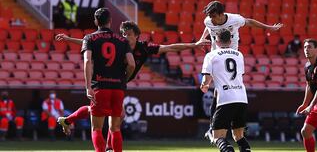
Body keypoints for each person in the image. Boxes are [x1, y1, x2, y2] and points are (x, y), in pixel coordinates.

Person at [56, 21, 207, 151]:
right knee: (115, 115)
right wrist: (69, 39)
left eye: (128, 34)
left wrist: (194, 45)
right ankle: (107, 146)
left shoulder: (143, 48)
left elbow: (170, 48)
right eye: (123, 34)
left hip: (117, 84)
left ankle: (69, 121)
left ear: (136, 35)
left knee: (106, 114)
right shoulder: (119, 45)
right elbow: (90, 42)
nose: (125, 36)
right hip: (105, 82)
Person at [197, 1, 283, 143]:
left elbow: (249, 21)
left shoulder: (234, 19)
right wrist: (202, 38)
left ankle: (217, 127)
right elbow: (208, 26)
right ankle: (221, 127)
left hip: (233, 54)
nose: (211, 19)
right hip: (217, 56)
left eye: (213, 16)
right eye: (210, 16)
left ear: (221, 14)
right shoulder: (208, 21)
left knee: (221, 91)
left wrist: (268, 28)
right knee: (219, 91)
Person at [82, 8, 135, 152]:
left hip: (100, 86)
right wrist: (123, 79)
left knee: (97, 128)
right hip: (118, 88)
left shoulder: (89, 38)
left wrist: (88, 86)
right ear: (110, 21)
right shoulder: (122, 40)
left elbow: (87, 61)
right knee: (115, 128)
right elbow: (131, 64)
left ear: (95, 21)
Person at [200, 29, 250, 152]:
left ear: (216, 40)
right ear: (230, 40)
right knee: (239, 136)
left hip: (226, 99)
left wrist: (204, 85)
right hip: (242, 98)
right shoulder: (239, 54)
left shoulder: (211, 55)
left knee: (218, 136)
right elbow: (238, 75)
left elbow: (206, 79)